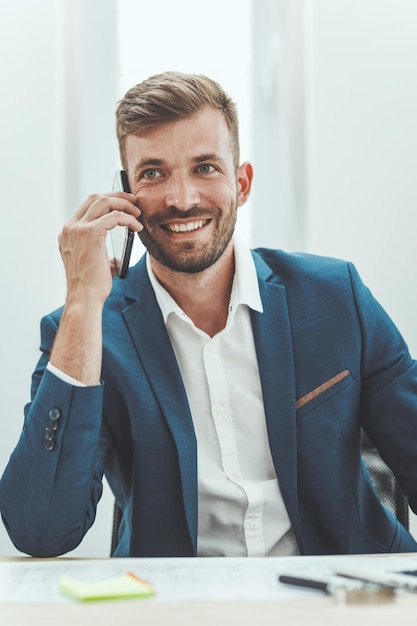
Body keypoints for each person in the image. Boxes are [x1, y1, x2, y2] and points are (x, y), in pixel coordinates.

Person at [1, 71, 417, 559]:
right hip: (178, 603)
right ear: (125, 193)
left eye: (204, 168)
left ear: (241, 183)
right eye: (153, 173)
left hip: (341, 596)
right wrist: (81, 305)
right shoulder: (88, 332)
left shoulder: (333, 298)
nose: (182, 199)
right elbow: (40, 530)